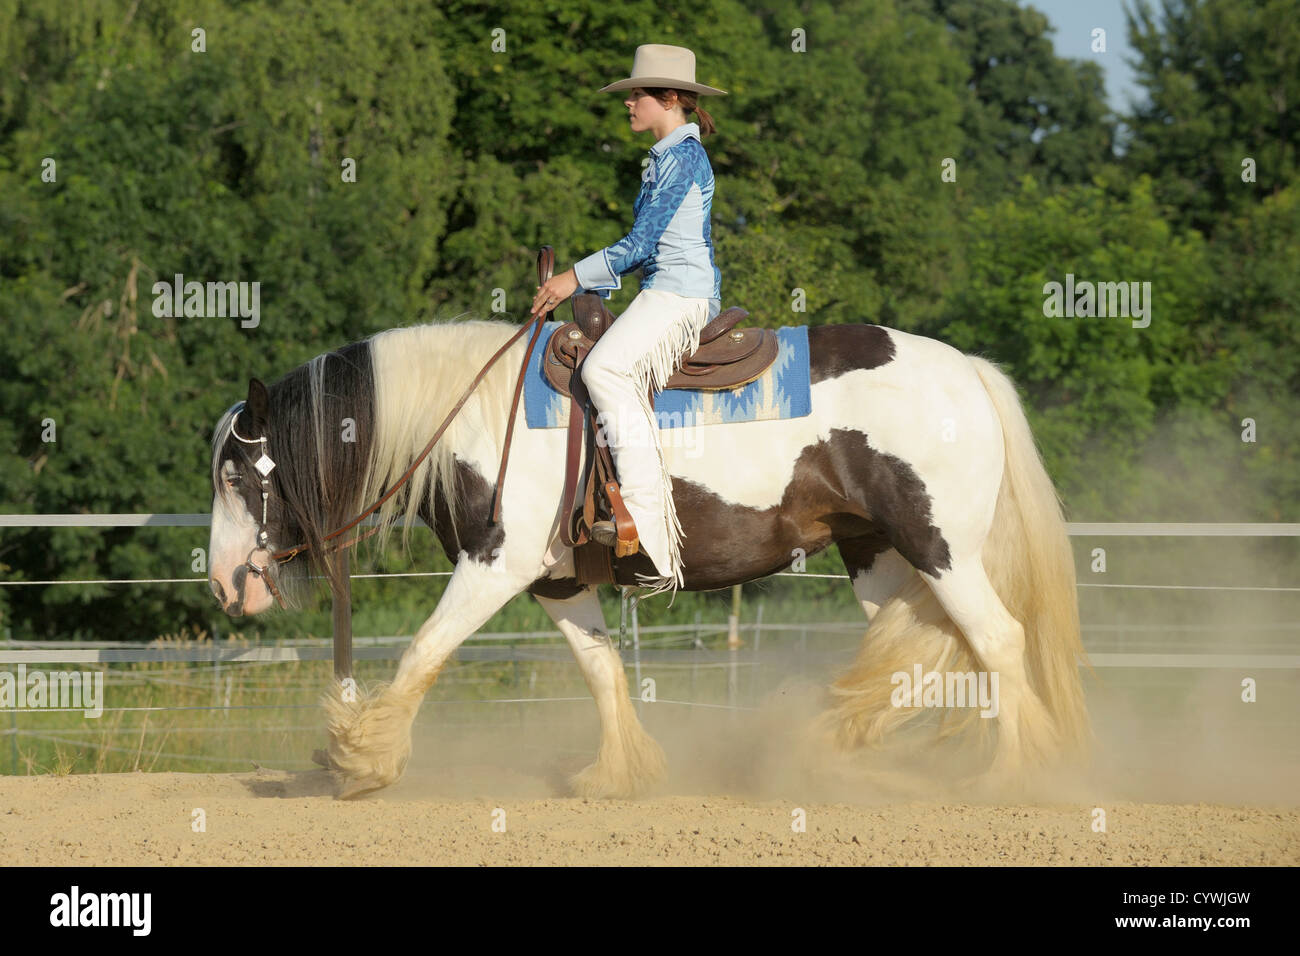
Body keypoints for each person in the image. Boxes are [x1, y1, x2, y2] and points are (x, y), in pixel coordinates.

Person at [530, 44, 726, 595]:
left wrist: (573, 276)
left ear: (667, 98)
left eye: (635, 95)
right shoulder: (666, 155)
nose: (628, 104)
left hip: (681, 296)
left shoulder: (683, 157)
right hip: (663, 290)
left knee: (605, 372)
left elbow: (642, 243)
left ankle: (647, 533)